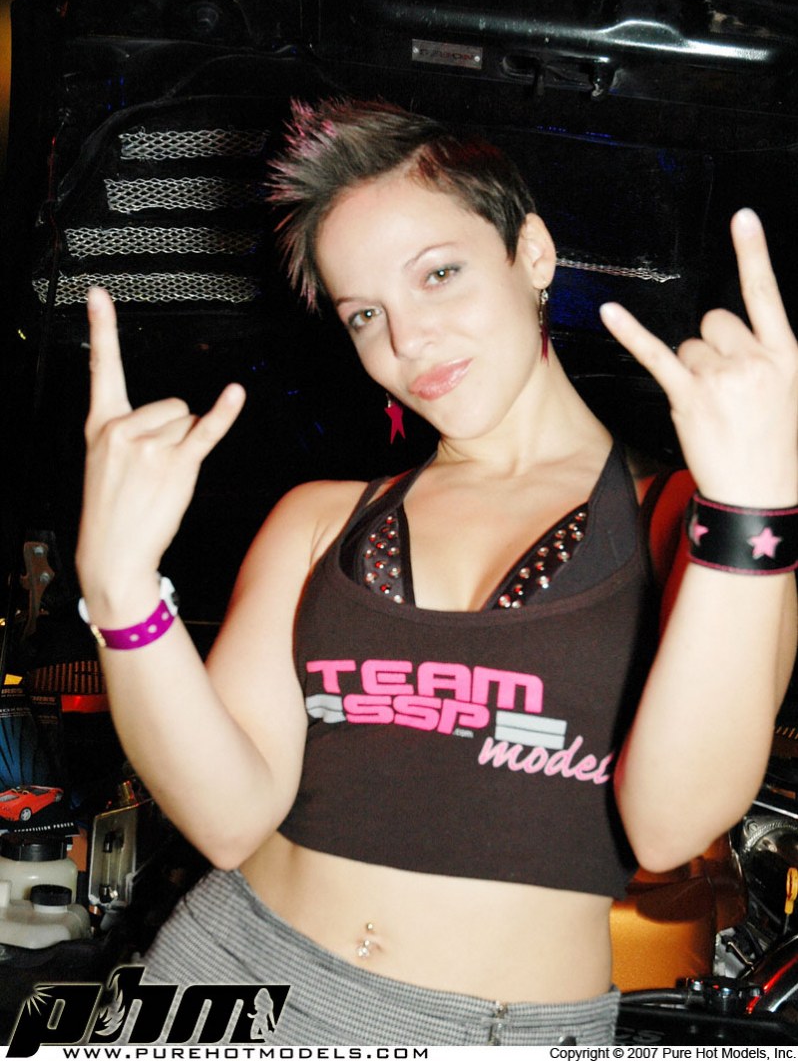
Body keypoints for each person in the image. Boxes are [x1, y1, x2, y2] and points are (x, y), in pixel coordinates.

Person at [75, 98, 798, 1046]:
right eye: (365, 314)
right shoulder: (319, 520)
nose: (407, 340)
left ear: (531, 252)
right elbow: (227, 820)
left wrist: (751, 508)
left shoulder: (691, 525)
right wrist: (120, 585)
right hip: (223, 977)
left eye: (439, 274)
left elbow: (670, 828)